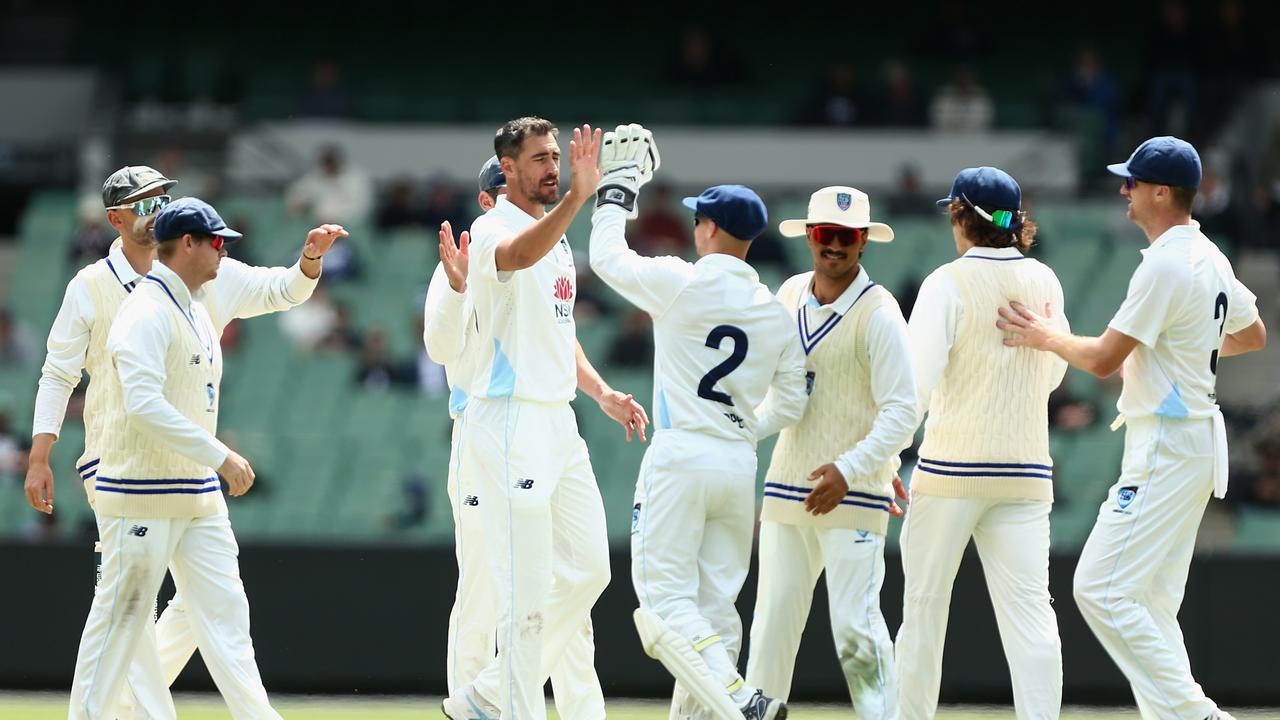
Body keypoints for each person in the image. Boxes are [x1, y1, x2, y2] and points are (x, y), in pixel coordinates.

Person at [999, 136, 1267, 720]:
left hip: (1168, 442)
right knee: (1148, 602)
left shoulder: (1168, 264)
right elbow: (1252, 335)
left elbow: (1100, 360)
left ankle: (1202, 716)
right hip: (1194, 441)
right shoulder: (1210, 257)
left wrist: (1046, 336)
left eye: (1133, 182)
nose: (1124, 190)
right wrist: (1183, 343)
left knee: (1100, 589)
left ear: (1162, 192)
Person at [61, 194, 346, 720]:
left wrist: (308, 260)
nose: (223, 252)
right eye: (216, 242)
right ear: (186, 244)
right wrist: (221, 455)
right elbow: (143, 404)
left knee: (223, 611)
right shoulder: (143, 312)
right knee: (122, 620)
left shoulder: (197, 299)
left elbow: (283, 289)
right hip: (139, 491)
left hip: (195, 492)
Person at [589, 124, 808, 720]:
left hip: (681, 454)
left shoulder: (680, 282)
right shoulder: (774, 314)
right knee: (716, 608)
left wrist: (617, 187)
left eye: (698, 220)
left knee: (662, 604)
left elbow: (606, 257)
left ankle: (737, 695)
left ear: (709, 229)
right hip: (738, 464)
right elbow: (790, 406)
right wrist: (739, 427)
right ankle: (715, 710)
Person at [442, 118, 648, 720]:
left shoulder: (555, 239)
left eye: (557, 156)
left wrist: (602, 392)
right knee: (523, 593)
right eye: (538, 158)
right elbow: (516, 256)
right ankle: (504, 702)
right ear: (506, 169)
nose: (553, 167)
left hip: (559, 422)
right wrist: (582, 199)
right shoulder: (491, 229)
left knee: (589, 572)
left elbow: (561, 332)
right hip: (508, 423)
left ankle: (487, 692)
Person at [426, 155, 606, 719]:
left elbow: (561, 334)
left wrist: (602, 393)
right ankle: (478, 703)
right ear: (489, 200)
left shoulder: (551, 250)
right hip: (487, 435)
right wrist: (458, 289)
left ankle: (539, 704)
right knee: (487, 594)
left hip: (542, 428)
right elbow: (439, 348)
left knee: (571, 590)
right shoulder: (470, 256)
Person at [896, 166, 1069, 719]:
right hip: (1024, 471)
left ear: (958, 216)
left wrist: (882, 460)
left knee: (923, 610)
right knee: (1033, 618)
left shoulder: (945, 282)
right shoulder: (1046, 280)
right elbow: (1054, 375)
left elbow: (915, 386)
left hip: (950, 470)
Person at [744, 186, 916, 720]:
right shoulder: (790, 293)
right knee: (771, 624)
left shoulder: (881, 313)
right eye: (825, 235)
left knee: (856, 629)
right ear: (810, 237)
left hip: (855, 494)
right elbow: (768, 383)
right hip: (786, 486)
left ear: (863, 242)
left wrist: (849, 470)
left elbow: (902, 413)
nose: (834, 247)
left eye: (846, 237)